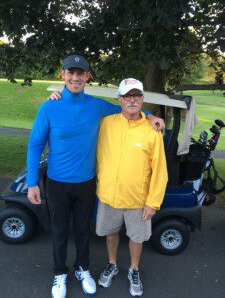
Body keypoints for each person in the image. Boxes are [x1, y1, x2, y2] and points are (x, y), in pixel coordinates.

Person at [26, 54, 165, 298]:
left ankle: (82, 269)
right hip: (57, 182)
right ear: (63, 75)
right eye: (71, 73)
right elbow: (35, 144)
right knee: (59, 231)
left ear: (87, 76)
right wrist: (31, 183)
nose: (75, 78)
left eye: (80, 73)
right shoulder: (49, 106)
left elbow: (128, 110)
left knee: (82, 230)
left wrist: (151, 116)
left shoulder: (97, 105)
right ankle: (59, 273)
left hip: (86, 182)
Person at [96, 78, 168, 297]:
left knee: (136, 238)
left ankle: (133, 269)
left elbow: (160, 171)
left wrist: (153, 203)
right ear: (119, 99)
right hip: (108, 195)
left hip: (138, 200)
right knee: (110, 233)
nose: (132, 100)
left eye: (137, 95)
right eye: (127, 96)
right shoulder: (107, 123)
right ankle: (112, 263)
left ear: (142, 99)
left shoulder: (151, 130)